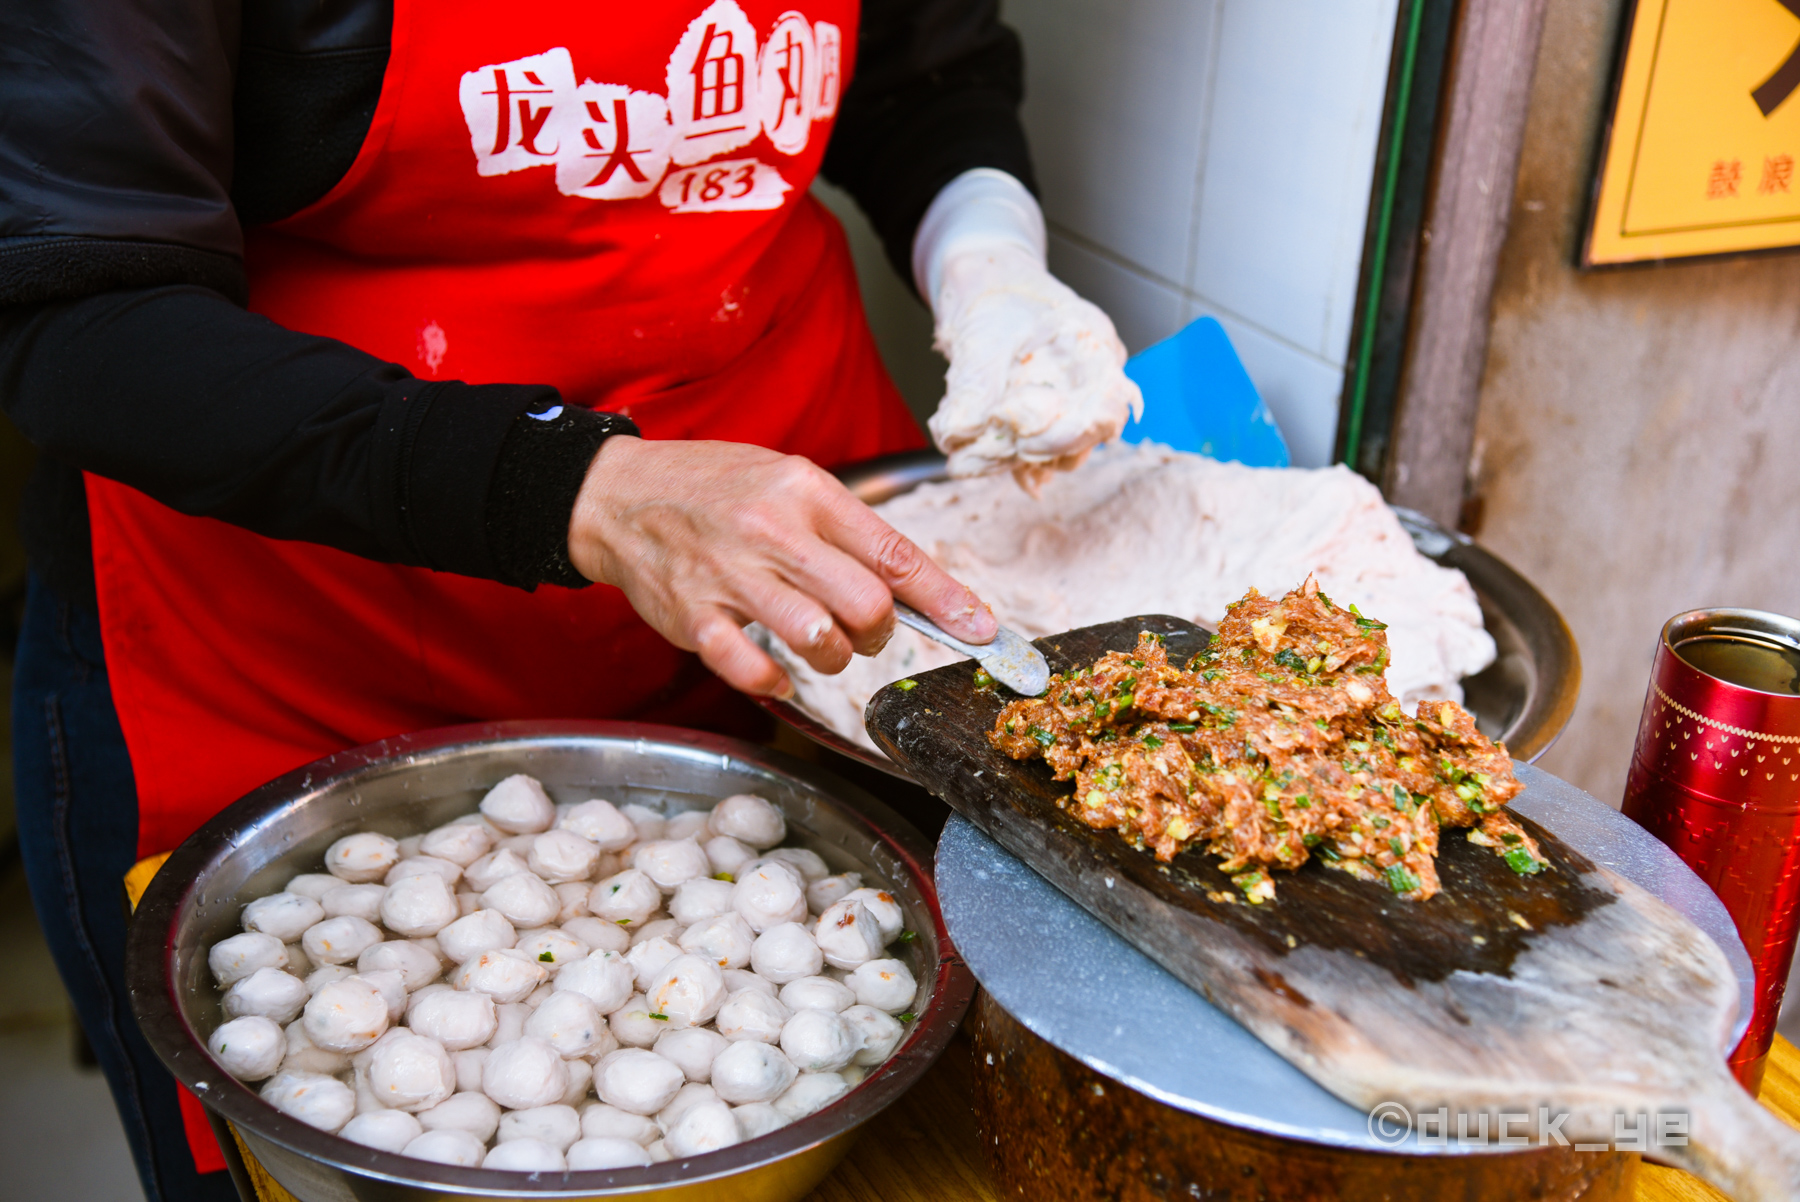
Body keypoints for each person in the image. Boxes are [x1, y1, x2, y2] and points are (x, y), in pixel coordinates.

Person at [0, 0, 1137, 1196]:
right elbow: (76, 301)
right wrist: (582, 488)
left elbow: (924, 69)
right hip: (304, 662)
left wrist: (987, 256)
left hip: (802, 648)